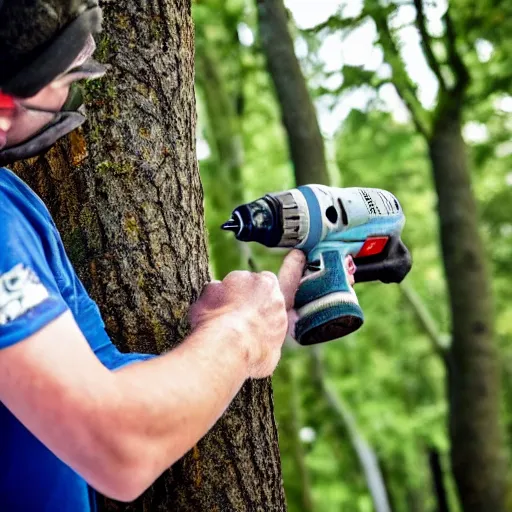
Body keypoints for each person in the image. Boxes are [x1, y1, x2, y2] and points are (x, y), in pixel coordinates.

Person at [0, 1, 307, 510]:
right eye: (68, 76)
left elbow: (98, 379)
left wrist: (265, 320)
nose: (74, 93)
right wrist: (240, 335)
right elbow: (117, 443)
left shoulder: (15, 204)